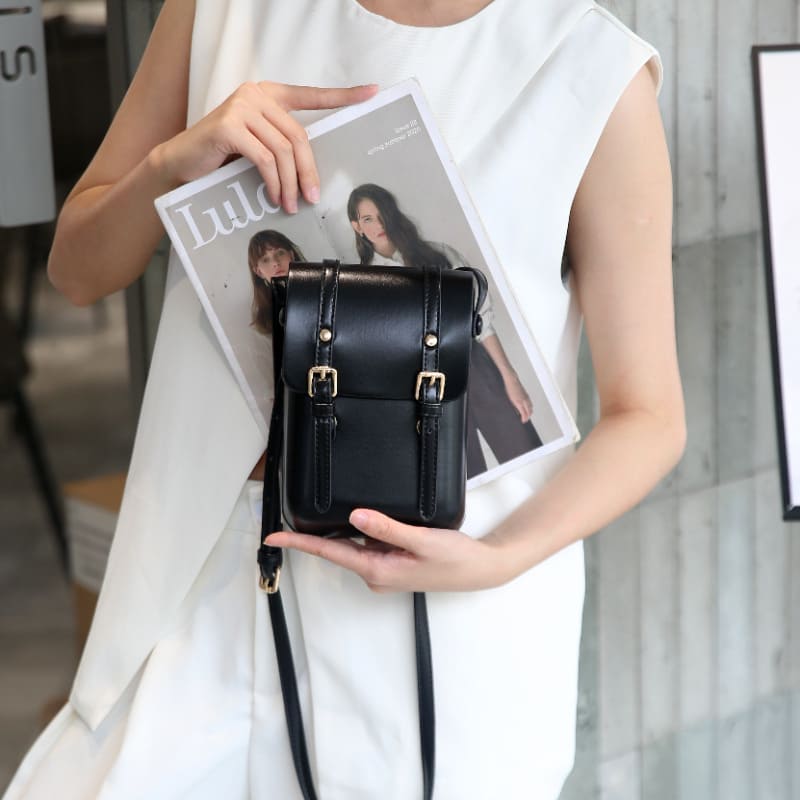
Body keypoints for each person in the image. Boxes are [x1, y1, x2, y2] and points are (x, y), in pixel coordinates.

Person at [3, 1, 685, 798]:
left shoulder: (586, 67)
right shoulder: (220, 10)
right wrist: (166, 167)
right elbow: (77, 270)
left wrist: (500, 557)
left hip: (446, 595)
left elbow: (649, 417)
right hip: (208, 572)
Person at [347, 182, 543, 478]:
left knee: (527, 456)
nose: (379, 224)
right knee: (462, 479)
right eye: (367, 219)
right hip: (427, 387)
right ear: (357, 227)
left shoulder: (438, 255)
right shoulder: (365, 284)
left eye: (381, 213)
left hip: (473, 364)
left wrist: (509, 377)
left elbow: (481, 319)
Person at [247, 229, 307, 335]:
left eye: (280, 253)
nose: (275, 262)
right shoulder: (264, 322)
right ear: (259, 272)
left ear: (291, 255)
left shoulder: (324, 287)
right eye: (265, 260)